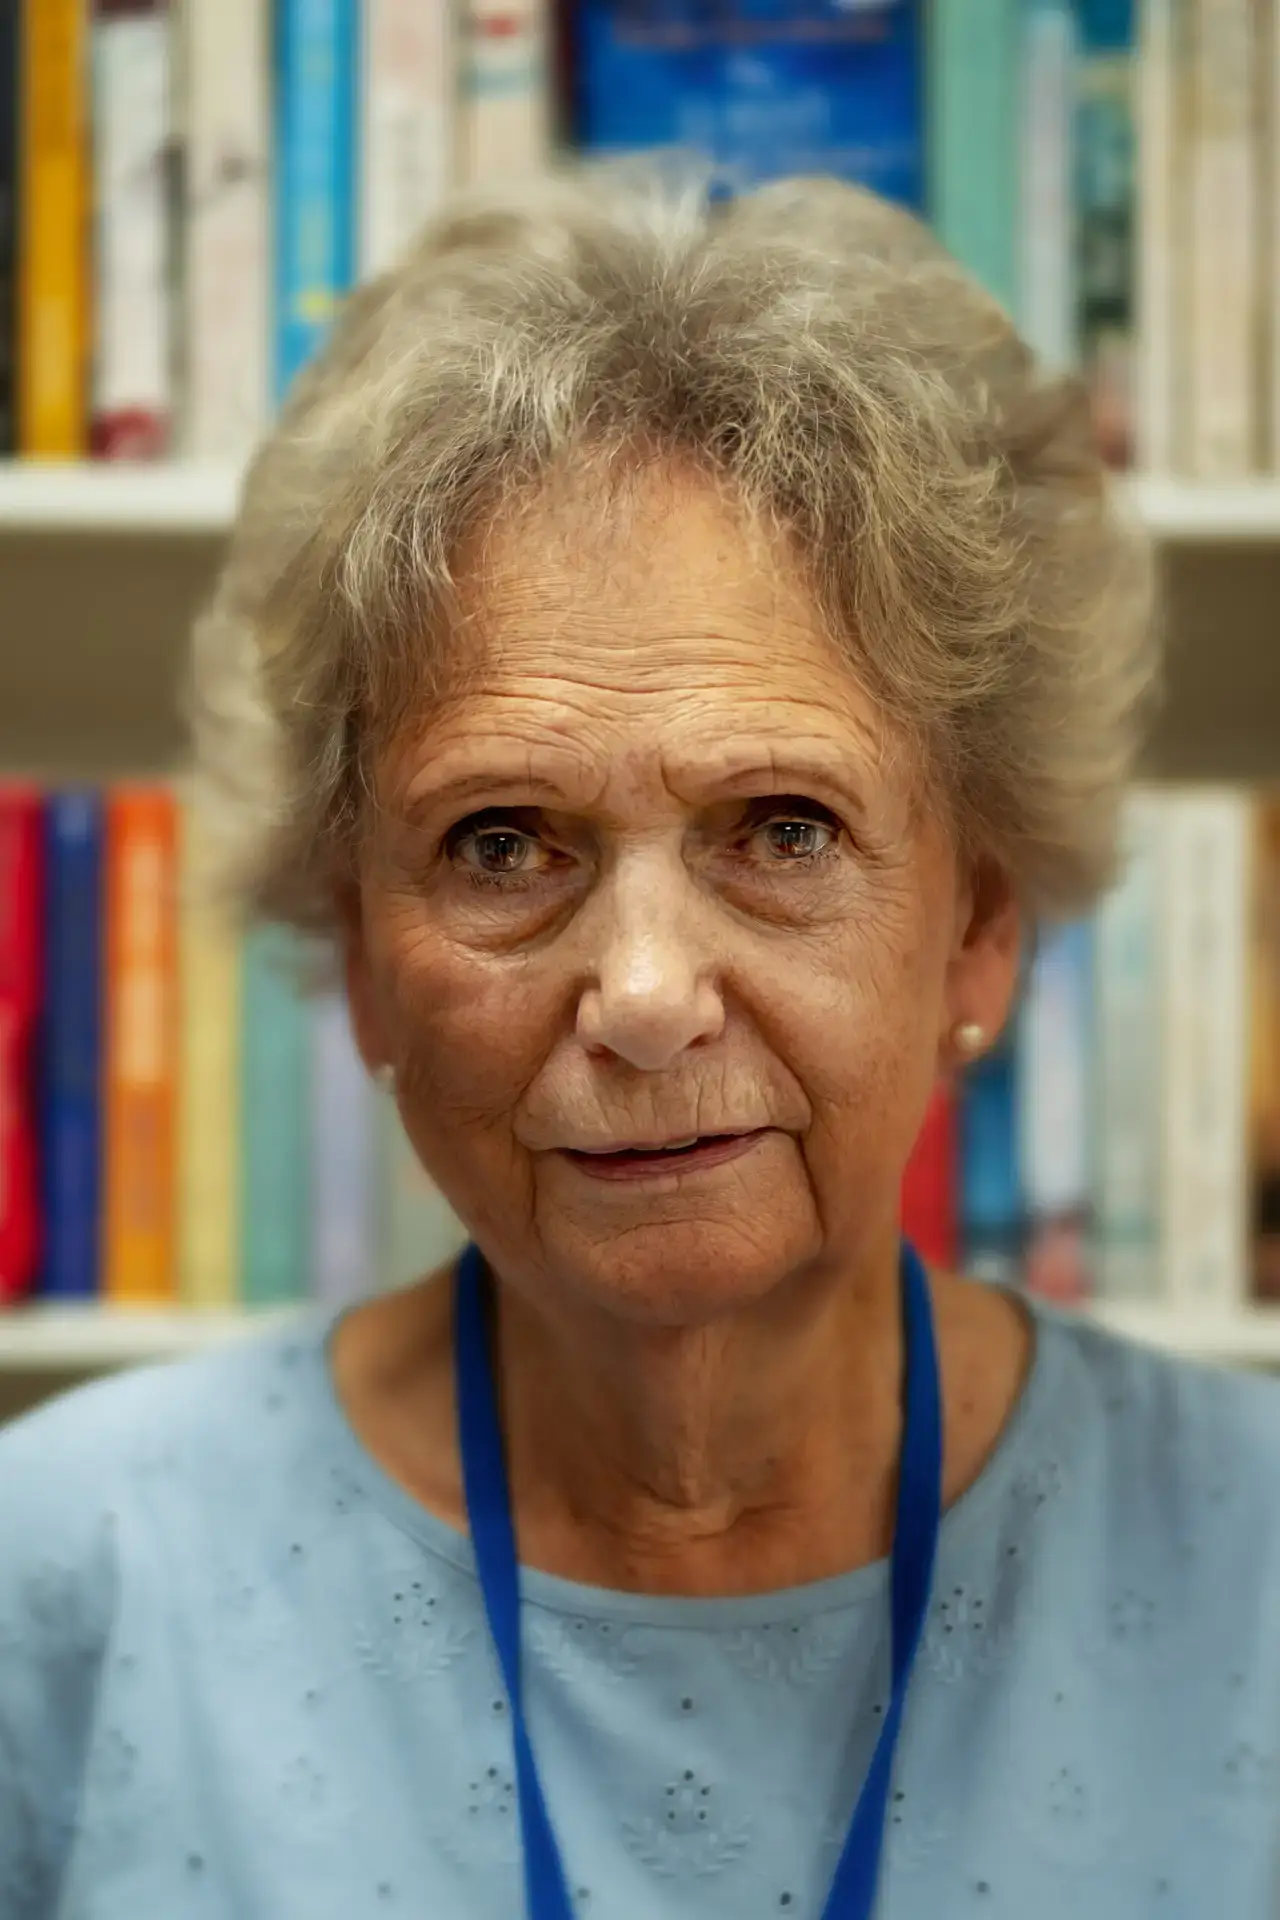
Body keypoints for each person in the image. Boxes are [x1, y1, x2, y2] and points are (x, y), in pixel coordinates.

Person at [0, 167, 1276, 1920]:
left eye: (782, 827)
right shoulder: (66, 1566)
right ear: (361, 950)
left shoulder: (1255, 1565)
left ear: (978, 919)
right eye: (503, 844)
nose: (648, 994)